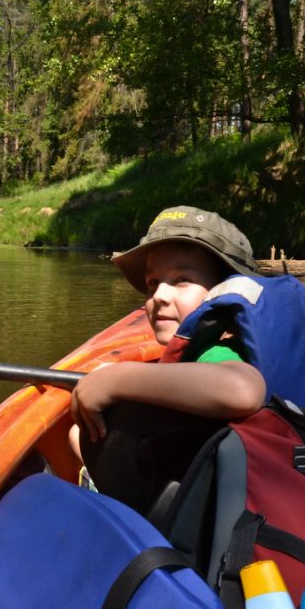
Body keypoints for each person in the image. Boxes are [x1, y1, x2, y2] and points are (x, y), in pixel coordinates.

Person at [68, 207, 267, 500]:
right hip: (188, 482)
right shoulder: (206, 349)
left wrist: (116, 378)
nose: (159, 295)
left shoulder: (219, 352)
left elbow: (244, 389)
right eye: (152, 283)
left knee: (78, 437)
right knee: (76, 435)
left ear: (227, 295)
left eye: (181, 279)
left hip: (195, 508)